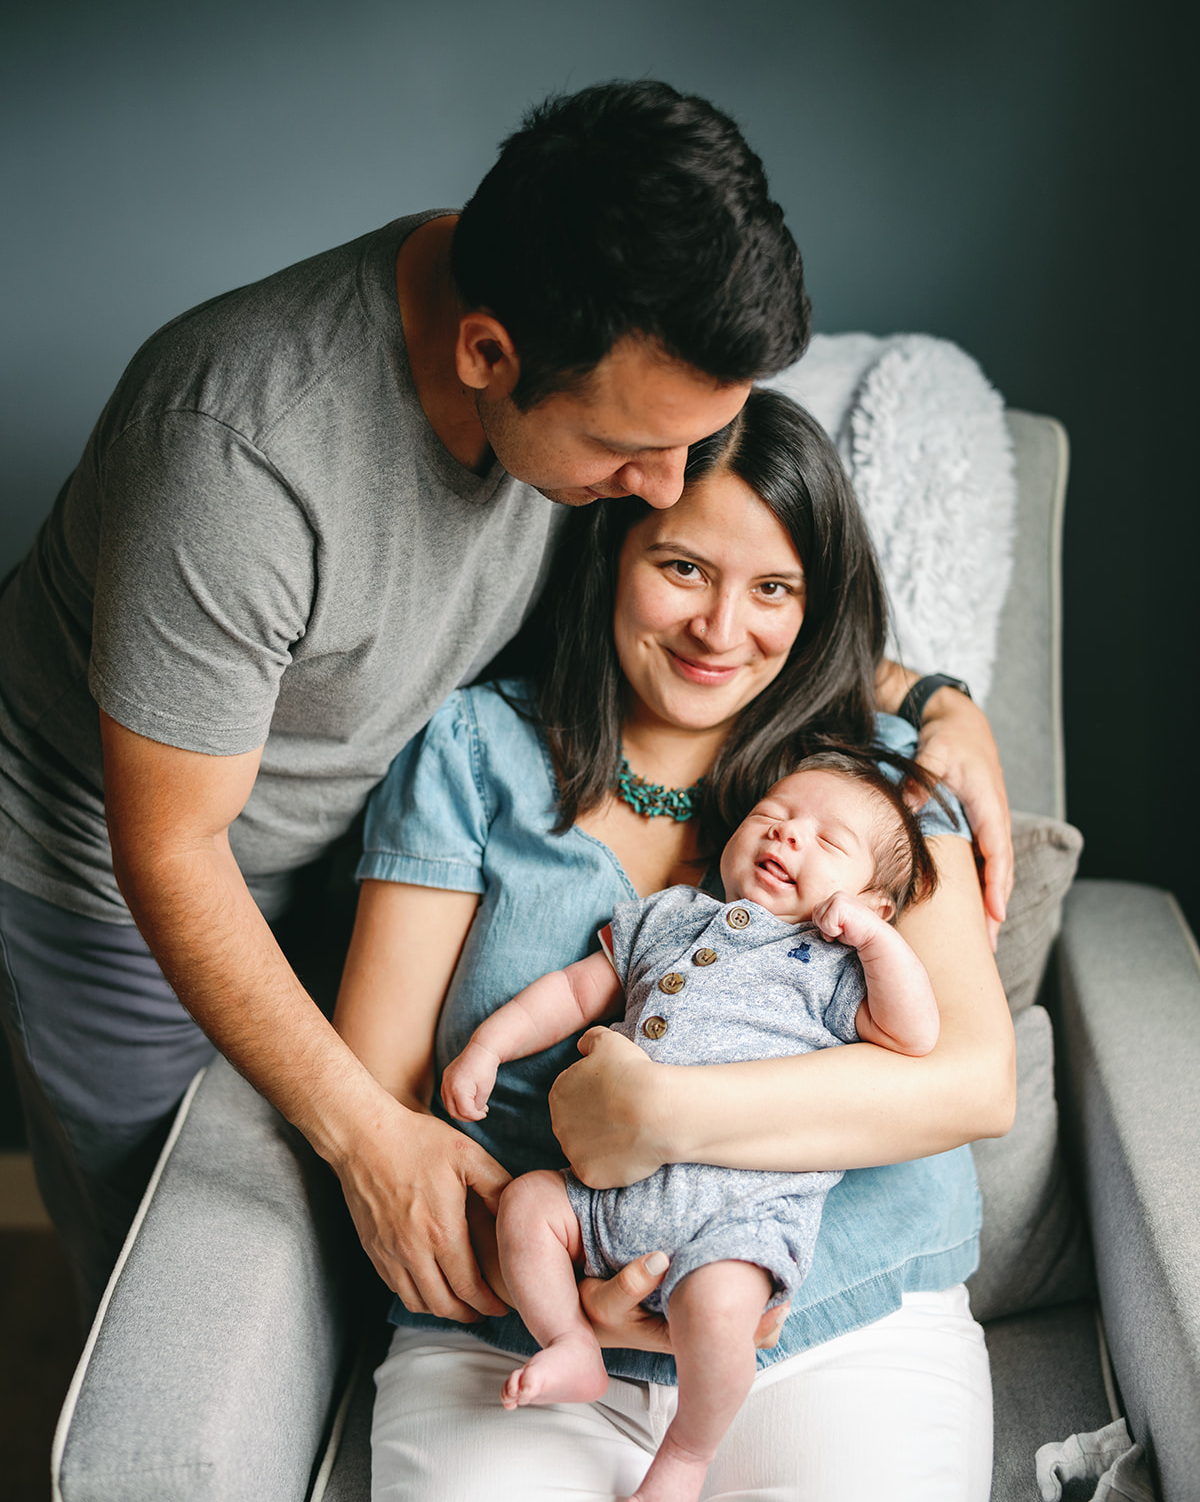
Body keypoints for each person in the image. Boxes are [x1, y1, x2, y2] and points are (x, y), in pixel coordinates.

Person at [0, 80, 813, 1318]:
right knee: (175, 1266)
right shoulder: (238, 451)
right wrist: (367, 1139)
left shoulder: (569, 306)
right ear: (485, 352)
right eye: (629, 453)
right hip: (113, 862)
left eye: (694, 445)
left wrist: (933, 698)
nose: (664, 492)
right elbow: (168, 841)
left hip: (357, 815)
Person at [335, 388, 1015, 1501]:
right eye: (684, 568)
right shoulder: (473, 752)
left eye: (775, 589)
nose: (721, 630)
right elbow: (380, 1110)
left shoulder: (878, 781)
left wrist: (656, 1120)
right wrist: (557, 1279)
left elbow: (975, 1080)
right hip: (519, 1332)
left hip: (838, 1312)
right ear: (610, 548)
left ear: (815, 603)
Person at [441, 753, 945, 1502]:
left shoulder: (838, 966)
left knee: (718, 1314)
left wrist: (875, 943)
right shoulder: (668, 914)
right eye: (772, 818)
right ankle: (572, 1343)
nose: (789, 836)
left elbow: (915, 1037)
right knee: (527, 1208)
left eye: (827, 841)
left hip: (736, 1217)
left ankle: (685, 1455)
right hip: (603, 1198)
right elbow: (576, 989)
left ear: (872, 900)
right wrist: (488, 1045)